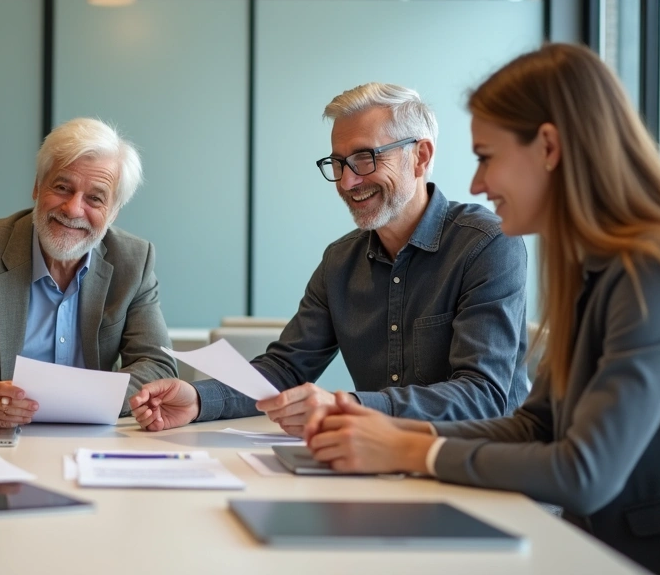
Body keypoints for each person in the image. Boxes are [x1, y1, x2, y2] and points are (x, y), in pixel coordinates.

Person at [302, 43, 660, 575]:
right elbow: (535, 426)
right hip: (590, 542)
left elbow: (584, 473)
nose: (476, 184)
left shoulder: (655, 267)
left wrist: (408, 452)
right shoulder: (592, 266)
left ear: (547, 146)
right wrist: (397, 434)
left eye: (486, 157)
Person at [131, 83, 529, 436]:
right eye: (338, 163)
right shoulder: (341, 260)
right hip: (378, 462)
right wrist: (198, 399)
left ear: (421, 156)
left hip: (479, 471)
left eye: (364, 158)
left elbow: (483, 395)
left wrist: (351, 407)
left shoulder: (487, 244)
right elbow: (285, 369)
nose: (347, 181)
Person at [0, 117, 177, 427]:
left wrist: (80, 400)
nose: (73, 209)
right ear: (37, 185)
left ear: (113, 211)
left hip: (94, 442)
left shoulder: (134, 261)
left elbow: (158, 366)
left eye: (95, 198)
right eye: (62, 187)